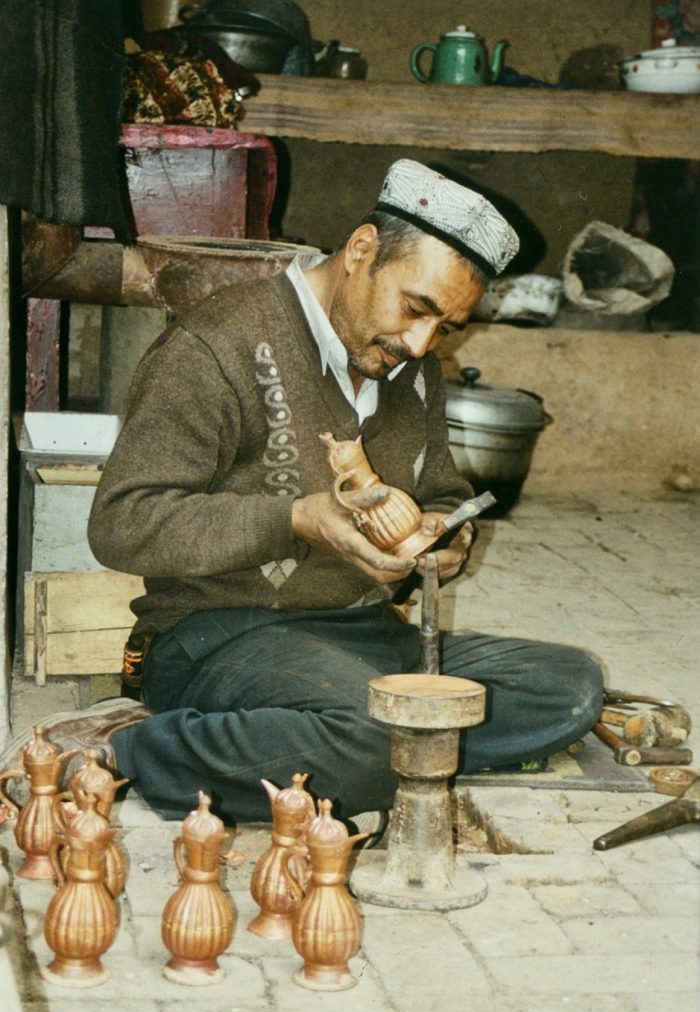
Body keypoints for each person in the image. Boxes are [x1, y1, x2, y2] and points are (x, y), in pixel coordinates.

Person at [1, 160, 603, 830]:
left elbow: (442, 490)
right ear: (362, 250)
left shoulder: (413, 371)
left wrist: (445, 537)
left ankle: (305, 738)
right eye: (415, 309)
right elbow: (120, 522)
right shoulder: (216, 345)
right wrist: (297, 517)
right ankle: (130, 748)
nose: (421, 343)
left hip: (365, 636)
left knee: (570, 685)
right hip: (222, 636)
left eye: (447, 327)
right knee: (379, 738)